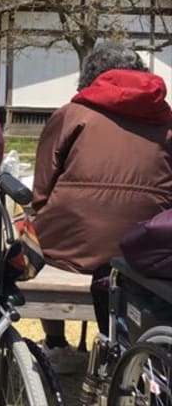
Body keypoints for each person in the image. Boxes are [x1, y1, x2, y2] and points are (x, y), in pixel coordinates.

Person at [32, 42, 172, 373]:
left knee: (31, 237)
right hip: (144, 248)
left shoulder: (71, 114)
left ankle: (55, 344)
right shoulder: (166, 120)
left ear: (90, 76)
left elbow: (41, 189)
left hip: (69, 246)